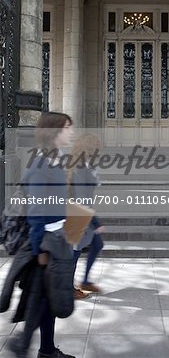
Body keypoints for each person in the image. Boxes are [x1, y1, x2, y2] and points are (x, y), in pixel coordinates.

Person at [1, 112, 76, 358]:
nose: (71, 132)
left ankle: (38, 347)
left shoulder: (55, 161)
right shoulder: (40, 164)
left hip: (56, 239)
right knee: (42, 297)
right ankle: (29, 346)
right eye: (67, 128)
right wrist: (40, 250)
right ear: (54, 132)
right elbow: (36, 211)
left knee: (43, 297)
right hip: (46, 242)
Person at [67, 133, 104, 299]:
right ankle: (69, 288)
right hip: (79, 217)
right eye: (96, 150)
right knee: (74, 253)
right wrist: (96, 223)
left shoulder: (84, 166)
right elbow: (82, 199)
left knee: (97, 244)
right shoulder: (80, 169)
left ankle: (85, 281)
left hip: (81, 215)